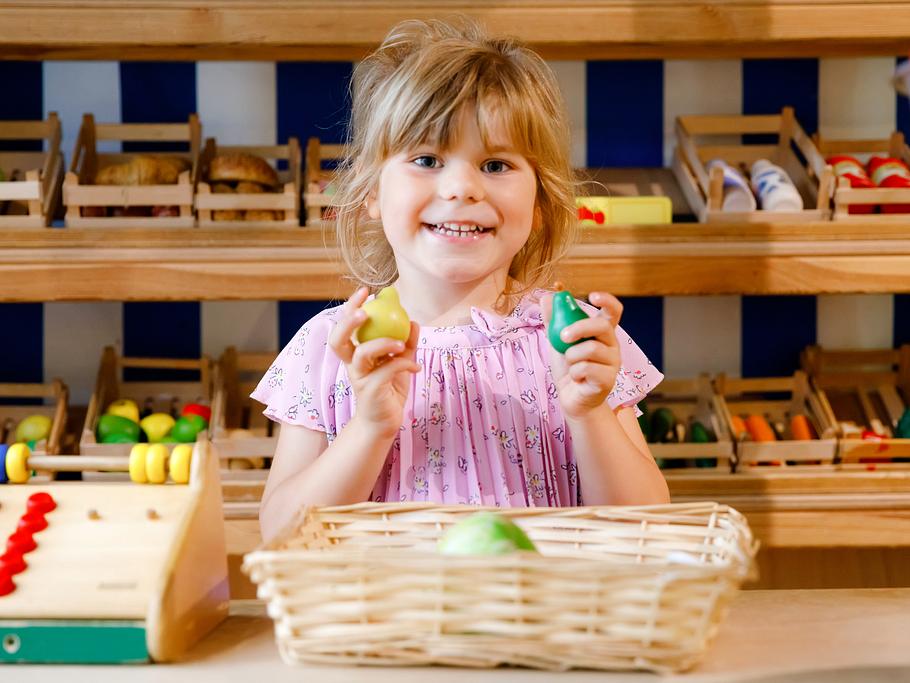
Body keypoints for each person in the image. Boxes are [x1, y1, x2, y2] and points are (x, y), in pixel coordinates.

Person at [253, 17, 669, 541]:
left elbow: (647, 528)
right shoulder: (329, 348)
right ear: (371, 195)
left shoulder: (578, 341)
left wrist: (589, 414)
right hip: (382, 622)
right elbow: (281, 535)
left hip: (539, 620)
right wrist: (371, 426)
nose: (460, 188)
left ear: (540, 202)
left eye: (496, 165)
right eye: (427, 159)